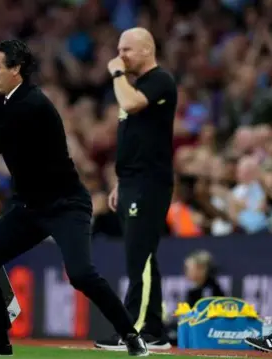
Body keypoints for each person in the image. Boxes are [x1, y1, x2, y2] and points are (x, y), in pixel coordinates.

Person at [0, 39, 148, 357]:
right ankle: (0, 340)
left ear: (17, 70)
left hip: (66, 204)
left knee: (81, 274)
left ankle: (130, 334)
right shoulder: (6, 103)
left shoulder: (32, 105)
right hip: (29, 207)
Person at [95, 27, 177, 351]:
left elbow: (130, 103)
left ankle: (134, 331)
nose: (120, 56)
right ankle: (154, 330)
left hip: (150, 182)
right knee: (144, 259)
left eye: (127, 50)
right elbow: (133, 140)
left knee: (138, 259)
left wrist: (117, 74)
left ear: (147, 50)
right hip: (132, 181)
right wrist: (119, 181)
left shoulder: (159, 81)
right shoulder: (136, 86)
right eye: (118, 50)